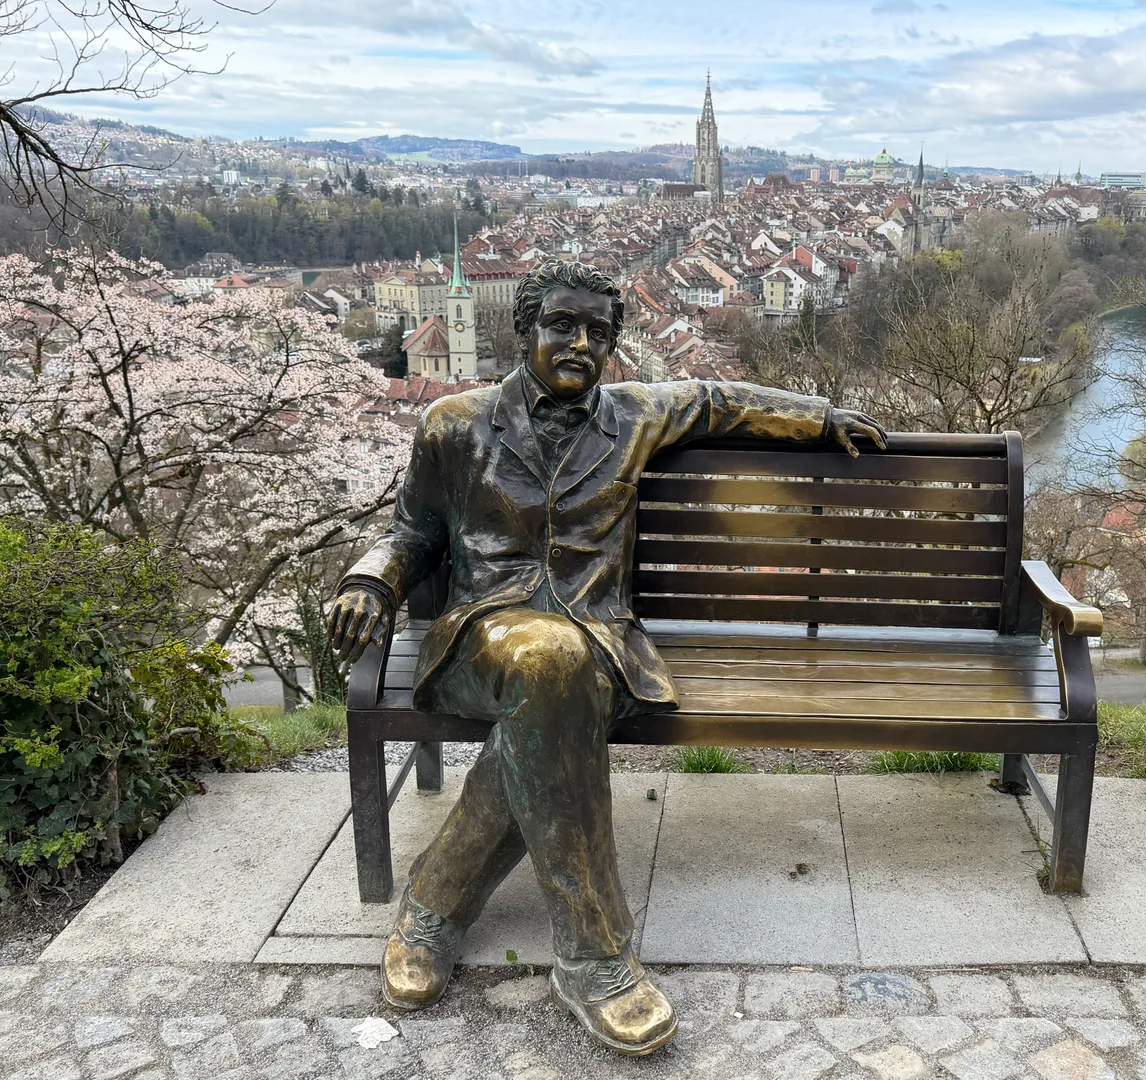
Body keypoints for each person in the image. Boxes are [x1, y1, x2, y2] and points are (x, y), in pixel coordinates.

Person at [326, 258, 886, 1055]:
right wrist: (369, 582)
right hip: (479, 640)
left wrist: (823, 416)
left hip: (602, 645)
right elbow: (411, 535)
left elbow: (721, 401)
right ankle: (595, 957)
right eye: (562, 325)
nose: (580, 343)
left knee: (559, 680)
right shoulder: (454, 423)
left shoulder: (636, 415)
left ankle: (435, 902)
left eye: (598, 332)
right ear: (524, 331)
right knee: (550, 665)